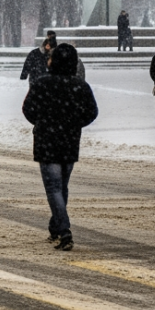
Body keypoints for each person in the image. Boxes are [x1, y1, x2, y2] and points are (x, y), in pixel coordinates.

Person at [22, 43, 98, 252]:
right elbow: (91, 112)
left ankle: (64, 230)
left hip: (47, 140)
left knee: (54, 187)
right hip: (69, 140)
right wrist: (74, 123)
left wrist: (42, 121)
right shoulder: (80, 86)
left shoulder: (42, 83)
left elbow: (28, 109)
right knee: (62, 185)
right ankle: (55, 226)